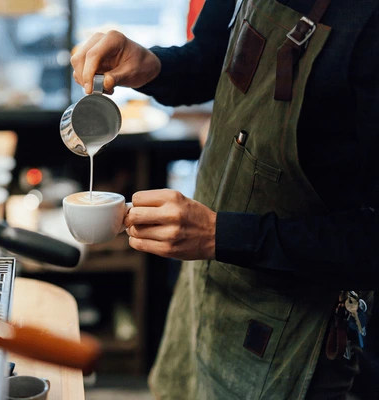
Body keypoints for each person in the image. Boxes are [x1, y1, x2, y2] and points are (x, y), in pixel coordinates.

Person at [71, 0, 379, 398]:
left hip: (295, 335)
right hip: (207, 288)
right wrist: (152, 65)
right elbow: (211, 59)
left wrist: (223, 234)